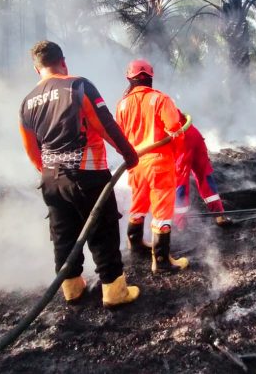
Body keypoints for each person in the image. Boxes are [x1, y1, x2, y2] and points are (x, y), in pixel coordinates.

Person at [19, 40, 140, 307]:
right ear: (63, 61)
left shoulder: (27, 102)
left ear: (36, 69)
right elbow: (104, 124)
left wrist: (49, 172)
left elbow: (31, 150)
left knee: (63, 234)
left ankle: (72, 289)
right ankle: (114, 291)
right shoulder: (77, 85)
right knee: (102, 229)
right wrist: (129, 155)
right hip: (87, 174)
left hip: (51, 179)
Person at [115, 59, 188, 274]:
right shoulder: (160, 99)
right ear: (150, 77)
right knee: (162, 211)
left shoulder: (122, 104)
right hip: (159, 163)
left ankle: (135, 245)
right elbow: (175, 131)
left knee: (139, 204)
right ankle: (162, 262)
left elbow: (118, 137)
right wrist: (174, 154)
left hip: (136, 164)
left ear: (130, 78)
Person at [173, 117, 232, 229]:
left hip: (180, 139)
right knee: (204, 175)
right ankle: (219, 215)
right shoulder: (162, 101)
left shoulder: (143, 105)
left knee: (180, 180)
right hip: (194, 135)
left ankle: (179, 224)